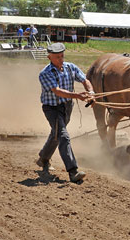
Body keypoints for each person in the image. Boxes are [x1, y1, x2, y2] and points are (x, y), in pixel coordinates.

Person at [37, 43, 95, 183]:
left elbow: (84, 79)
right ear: (49, 57)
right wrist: (78, 96)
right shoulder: (45, 73)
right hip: (52, 109)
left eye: (62, 56)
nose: (61, 59)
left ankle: (44, 158)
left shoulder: (70, 67)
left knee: (56, 134)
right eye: (57, 57)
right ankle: (72, 171)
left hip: (67, 107)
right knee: (63, 136)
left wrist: (91, 92)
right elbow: (57, 91)